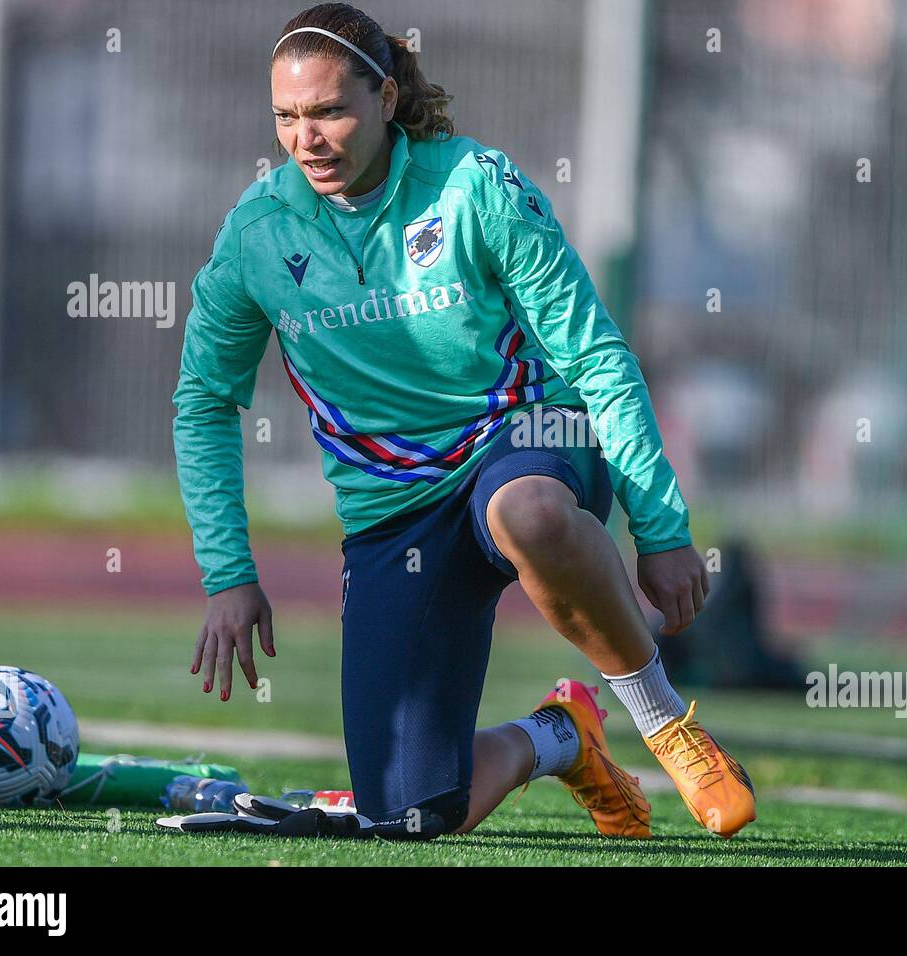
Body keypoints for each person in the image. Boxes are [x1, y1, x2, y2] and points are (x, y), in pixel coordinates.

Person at [172, 2, 755, 839]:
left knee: (529, 511)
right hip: (392, 511)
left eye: (331, 110)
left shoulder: (476, 185)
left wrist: (659, 528)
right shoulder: (255, 236)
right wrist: (228, 573)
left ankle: (664, 721)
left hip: (527, 441)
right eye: (288, 117)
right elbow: (204, 400)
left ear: (385, 98)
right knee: (408, 813)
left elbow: (593, 355)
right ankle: (560, 737)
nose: (308, 138)